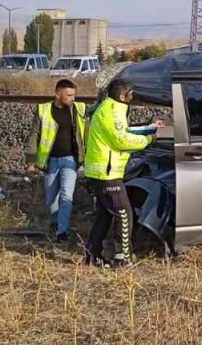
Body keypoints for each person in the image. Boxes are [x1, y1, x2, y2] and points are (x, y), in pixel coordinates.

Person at [82, 78, 159, 268]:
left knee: (105, 214)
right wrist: (148, 140)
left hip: (102, 172)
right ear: (123, 95)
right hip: (107, 174)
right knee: (124, 214)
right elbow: (121, 140)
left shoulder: (111, 108)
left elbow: (124, 130)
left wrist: (149, 128)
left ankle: (92, 254)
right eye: (131, 94)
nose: (133, 97)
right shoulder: (111, 110)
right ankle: (122, 257)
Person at [24, 78, 87, 242]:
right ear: (58, 94)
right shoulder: (43, 110)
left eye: (74, 95)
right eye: (69, 95)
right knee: (51, 199)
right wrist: (30, 162)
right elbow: (34, 135)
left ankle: (62, 232)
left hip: (71, 161)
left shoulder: (79, 109)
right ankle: (54, 225)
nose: (73, 98)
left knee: (66, 196)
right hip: (51, 161)